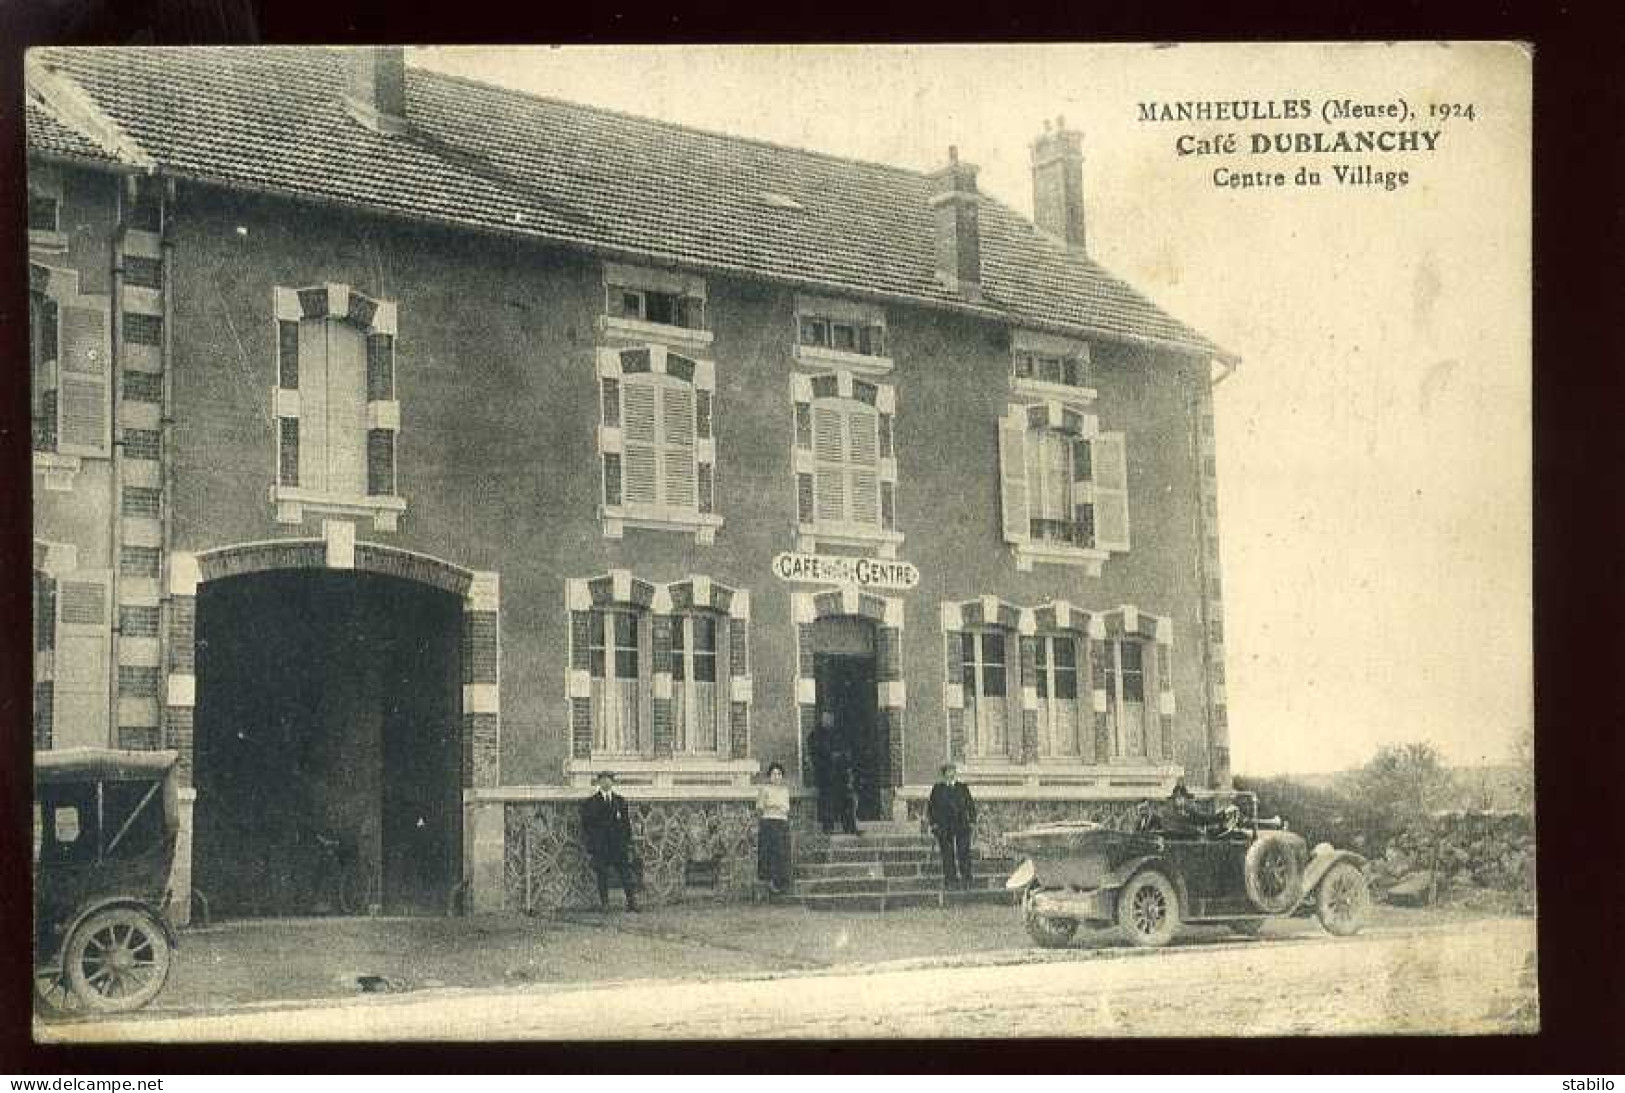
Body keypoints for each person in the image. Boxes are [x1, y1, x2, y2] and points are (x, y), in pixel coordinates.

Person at [580, 771, 639, 912]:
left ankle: (631, 903)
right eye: (603, 780)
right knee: (602, 875)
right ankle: (605, 904)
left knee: (625, 874)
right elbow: (587, 825)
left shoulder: (620, 801)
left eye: (609, 780)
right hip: (601, 846)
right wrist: (592, 844)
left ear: (612, 782)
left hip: (618, 845)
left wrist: (627, 842)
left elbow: (626, 824)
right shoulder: (591, 802)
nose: (606, 783)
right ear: (599, 782)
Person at [927, 763, 977, 888]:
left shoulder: (962, 788)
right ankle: (950, 880)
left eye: (953, 771)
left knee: (963, 851)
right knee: (947, 853)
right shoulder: (937, 789)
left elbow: (970, 805)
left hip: (961, 824)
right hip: (944, 826)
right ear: (944, 774)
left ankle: (967, 878)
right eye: (948, 771)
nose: (951, 773)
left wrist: (972, 821)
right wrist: (933, 824)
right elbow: (931, 808)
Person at [755, 762, 793, 895]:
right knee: (770, 853)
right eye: (773, 774)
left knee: (782, 853)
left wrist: (773, 805)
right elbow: (760, 806)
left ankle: (782, 882)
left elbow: (786, 808)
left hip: (781, 823)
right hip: (769, 823)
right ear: (769, 776)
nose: (776, 777)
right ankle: (770, 882)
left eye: (779, 774)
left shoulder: (785, 791)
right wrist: (774, 806)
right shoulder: (765, 790)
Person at [806, 711, 837, 834]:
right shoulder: (816, 735)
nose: (830, 721)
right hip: (824, 773)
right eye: (827, 719)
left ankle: (848, 825)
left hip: (835, 773)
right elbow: (815, 750)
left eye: (831, 719)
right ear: (823, 719)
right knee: (826, 799)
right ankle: (828, 826)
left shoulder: (833, 734)